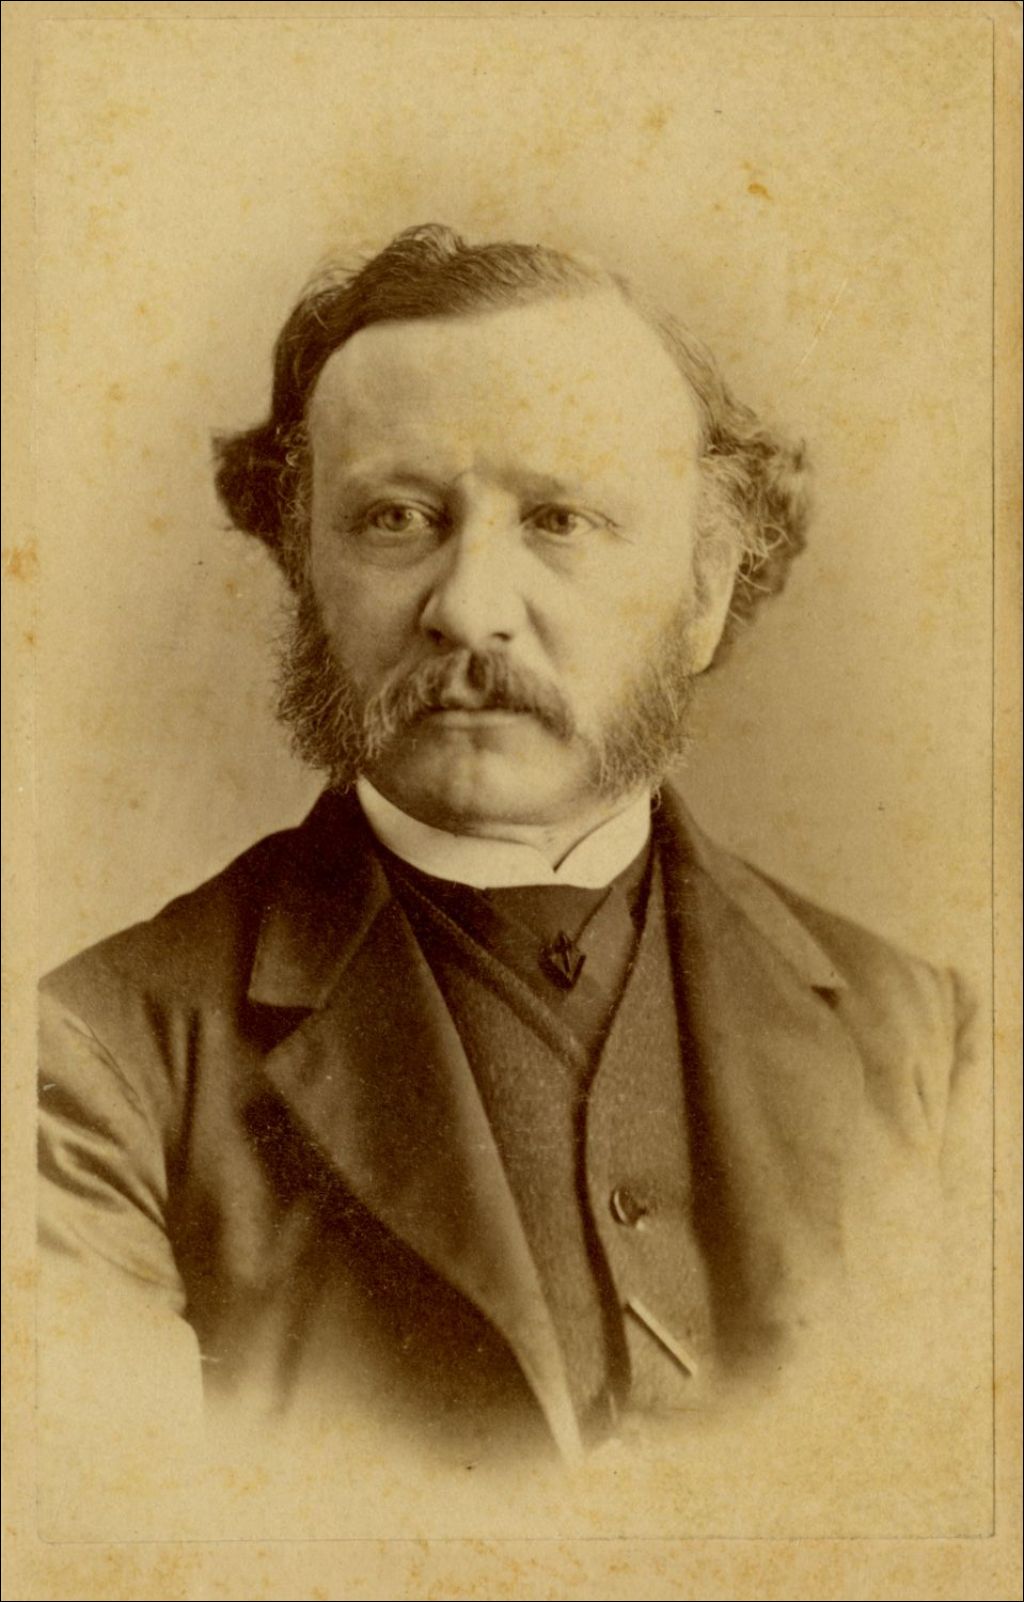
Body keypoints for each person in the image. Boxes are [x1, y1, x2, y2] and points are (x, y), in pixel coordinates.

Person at [38, 224, 977, 1487]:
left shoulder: (928, 1051)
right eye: (396, 518)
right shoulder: (98, 1062)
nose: (469, 609)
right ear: (305, 565)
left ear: (705, 591)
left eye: (559, 519)